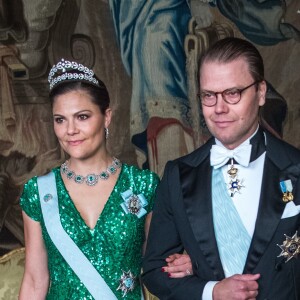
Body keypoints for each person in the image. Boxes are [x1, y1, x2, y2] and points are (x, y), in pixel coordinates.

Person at [18, 59, 192, 299]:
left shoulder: (143, 186)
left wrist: (189, 262)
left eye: (82, 117)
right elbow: (35, 280)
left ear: (106, 117)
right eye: (60, 119)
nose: (70, 130)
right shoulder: (39, 193)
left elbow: (158, 267)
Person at [142, 37, 300, 300]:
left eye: (232, 93)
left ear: (260, 93)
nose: (219, 108)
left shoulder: (296, 167)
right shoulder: (177, 175)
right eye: (209, 96)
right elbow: (155, 271)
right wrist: (210, 291)